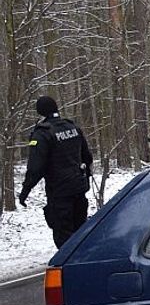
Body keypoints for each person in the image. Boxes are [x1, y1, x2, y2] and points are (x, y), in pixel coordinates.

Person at [19, 95, 94, 248]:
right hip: (78, 188)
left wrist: (25, 190)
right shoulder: (72, 127)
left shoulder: (42, 133)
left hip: (60, 192)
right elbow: (87, 156)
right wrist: (85, 177)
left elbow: (35, 168)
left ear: (40, 112)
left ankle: (70, 270)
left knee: (64, 237)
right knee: (81, 233)